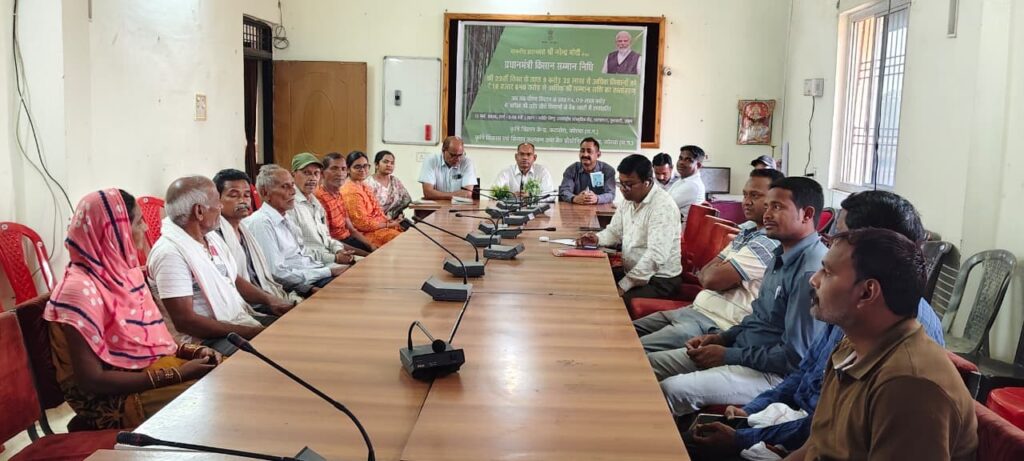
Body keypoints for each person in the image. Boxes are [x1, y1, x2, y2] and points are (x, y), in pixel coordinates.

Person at [687, 190, 949, 459]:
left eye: (838, 237)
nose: (814, 279)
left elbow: (830, 429)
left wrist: (745, 439)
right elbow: (816, 401)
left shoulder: (907, 378)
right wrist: (751, 413)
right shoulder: (856, 321)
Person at [785, 229, 977, 460]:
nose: (814, 279)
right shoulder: (852, 347)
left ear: (867, 292)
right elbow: (816, 446)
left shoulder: (909, 386)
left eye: (827, 272)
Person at [43, 189, 222, 429]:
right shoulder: (78, 291)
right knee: (217, 392)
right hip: (113, 402)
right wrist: (177, 375)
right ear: (114, 232)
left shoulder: (125, 275)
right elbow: (92, 381)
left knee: (229, 370)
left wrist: (192, 352)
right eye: (138, 222)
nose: (145, 228)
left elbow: (153, 343)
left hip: (145, 375)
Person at [656, 177, 827, 414]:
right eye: (767, 206)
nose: (767, 214)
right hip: (744, 350)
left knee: (671, 389)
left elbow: (794, 357)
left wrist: (728, 355)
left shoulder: (810, 271)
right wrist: (722, 339)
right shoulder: (780, 253)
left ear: (807, 214)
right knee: (648, 365)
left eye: (777, 207)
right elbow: (758, 317)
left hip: (772, 374)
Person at [634, 169, 784, 353]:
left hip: (714, 324)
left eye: (755, 195)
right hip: (695, 309)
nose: (746, 201)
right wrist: (723, 276)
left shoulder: (770, 242)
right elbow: (704, 273)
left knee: (632, 351)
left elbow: (712, 280)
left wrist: (718, 273)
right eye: (745, 195)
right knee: (624, 331)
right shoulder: (747, 232)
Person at [148, 176, 289, 355]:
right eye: (216, 201)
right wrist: (251, 332)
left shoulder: (211, 238)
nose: (220, 206)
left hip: (236, 321)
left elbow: (232, 278)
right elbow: (185, 322)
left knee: (291, 329)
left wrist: (270, 300)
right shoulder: (170, 254)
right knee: (277, 348)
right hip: (205, 339)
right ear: (199, 211)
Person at [577, 155, 681, 305]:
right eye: (621, 183)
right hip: (633, 273)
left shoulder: (663, 207)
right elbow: (614, 231)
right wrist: (597, 238)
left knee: (611, 303)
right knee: (591, 282)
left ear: (647, 182)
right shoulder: (628, 201)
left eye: (629, 184)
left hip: (659, 280)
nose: (623, 189)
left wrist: (623, 286)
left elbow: (655, 256)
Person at [244, 164, 345, 298]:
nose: (293, 192)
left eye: (292, 185)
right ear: (265, 193)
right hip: (300, 285)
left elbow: (303, 256)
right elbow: (277, 274)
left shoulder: (286, 217)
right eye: (285, 186)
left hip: (313, 272)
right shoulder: (261, 223)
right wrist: (328, 271)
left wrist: (330, 266)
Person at [213, 168, 303, 307]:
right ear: (216, 200)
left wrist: (306, 288)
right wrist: (270, 300)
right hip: (245, 304)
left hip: (266, 294)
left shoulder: (244, 231)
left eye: (247, 195)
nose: (243, 201)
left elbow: (265, 275)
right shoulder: (215, 238)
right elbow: (231, 281)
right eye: (234, 195)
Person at [287, 152, 366, 265]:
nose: (312, 178)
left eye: (316, 173)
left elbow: (327, 238)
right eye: (306, 173)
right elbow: (299, 250)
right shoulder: (290, 205)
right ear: (293, 175)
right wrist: (335, 258)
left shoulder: (315, 202)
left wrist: (339, 250)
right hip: (313, 265)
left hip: (329, 257)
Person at [314, 152, 376, 252]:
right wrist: (364, 254)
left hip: (349, 239)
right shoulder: (319, 198)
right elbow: (328, 240)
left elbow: (352, 229)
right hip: (336, 247)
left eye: (343, 169)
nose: (340, 173)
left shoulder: (338, 193)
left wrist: (370, 245)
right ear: (322, 173)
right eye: (334, 168)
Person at [343, 150, 403, 246]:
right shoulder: (350, 191)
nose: (362, 170)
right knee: (400, 240)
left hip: (377, 226)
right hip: (364, 234)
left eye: (365, 166)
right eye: (357, 167)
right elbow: (362, 224)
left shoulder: (362, 184)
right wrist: (388, 225)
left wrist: (389, 221)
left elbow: (377, 211)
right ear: (348, 169)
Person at [559, 137, 617, 204]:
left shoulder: (608, 171)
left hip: (600, 208)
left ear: (598, 154)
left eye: (589, 151)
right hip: (576, 207)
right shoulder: (572, 169)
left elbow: (610, 194)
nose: (585, 154)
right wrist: (574, 198)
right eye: (582, 151)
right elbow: (564, 191)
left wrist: (597, 198)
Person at [419, 136, 477, 200]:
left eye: (460, 155)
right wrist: (457, 195)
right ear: (443, 151)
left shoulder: (467, 162)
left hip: (459, 205)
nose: (457, 159)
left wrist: (437, 195)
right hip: (437, 205)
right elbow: (428, 193)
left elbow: (467, 194)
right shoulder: (431, 160)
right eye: (453, 155)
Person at [667, 145, 707, 228]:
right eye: (680, 158)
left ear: (698, 165)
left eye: (688, 160)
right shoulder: (682, 181)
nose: (681, 162)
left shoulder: (693, 185)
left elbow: (663, 205)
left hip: (678, 233)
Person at [367, 150, 413, 219]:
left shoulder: (395, 181)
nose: (389, 165)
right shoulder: (368, 183)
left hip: (394, 220)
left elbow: (407, 200)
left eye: (392, 163)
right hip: (375, 222)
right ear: (376, 165)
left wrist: (393, 213)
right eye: (385, 162)